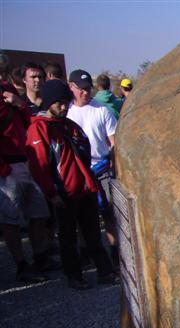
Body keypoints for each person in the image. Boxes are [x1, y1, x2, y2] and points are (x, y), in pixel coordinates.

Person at [26, 80, 117, 289]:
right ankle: (75, 276)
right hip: (64, 192)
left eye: (66, 102)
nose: (64, 107)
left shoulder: (69, 126)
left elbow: (84, 151)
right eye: (59, 103)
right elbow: (39, 166)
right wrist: (52, 193)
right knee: (68, 238)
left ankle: (106, 272)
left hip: (85, 188)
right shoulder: (39, 129)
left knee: (94, 234)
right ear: (49, 102)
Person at [0, 51, 52, 282]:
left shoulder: (8, 91)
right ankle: (21, 264)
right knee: (11, 219)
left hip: (26, 161)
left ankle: (40, 256)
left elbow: (28, 123)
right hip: (7, 167)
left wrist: (19, 104)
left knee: (39, 212)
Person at [66, 69, 119, 264]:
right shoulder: (67, 111)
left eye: (88, 89)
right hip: (77, 171)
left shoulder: (101, 110)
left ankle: (114, 250)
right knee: (82, 216)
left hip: (101, 169)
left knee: (108, 213)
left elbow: (113, 141)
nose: (86, 93)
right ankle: (85, 251)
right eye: (81, 89)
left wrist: (113, 161)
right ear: (72, 87)